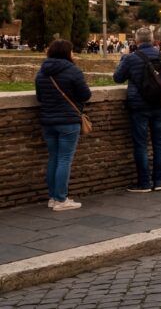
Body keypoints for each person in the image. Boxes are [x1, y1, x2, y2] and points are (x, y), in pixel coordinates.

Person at [113, 27, 161, 193]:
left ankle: (144, 183)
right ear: (152, 40)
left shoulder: (131, 58)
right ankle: (159, 181)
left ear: (136, 41)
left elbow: (118, 78)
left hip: (139, 106)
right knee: (159, 143)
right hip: (160, 104)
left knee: (141, 144)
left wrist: (122, 58)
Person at [35, 39, 91, 211]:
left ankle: (53, 197)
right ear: (67, 53)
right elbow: (85, 95)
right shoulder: (73, 71)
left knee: (53, 158)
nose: (73, 54)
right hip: (68, 121)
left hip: (48, 121)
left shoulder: (42, 72)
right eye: (72, 51)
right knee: (65, 159)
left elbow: (40, 97)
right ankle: (61, 199)